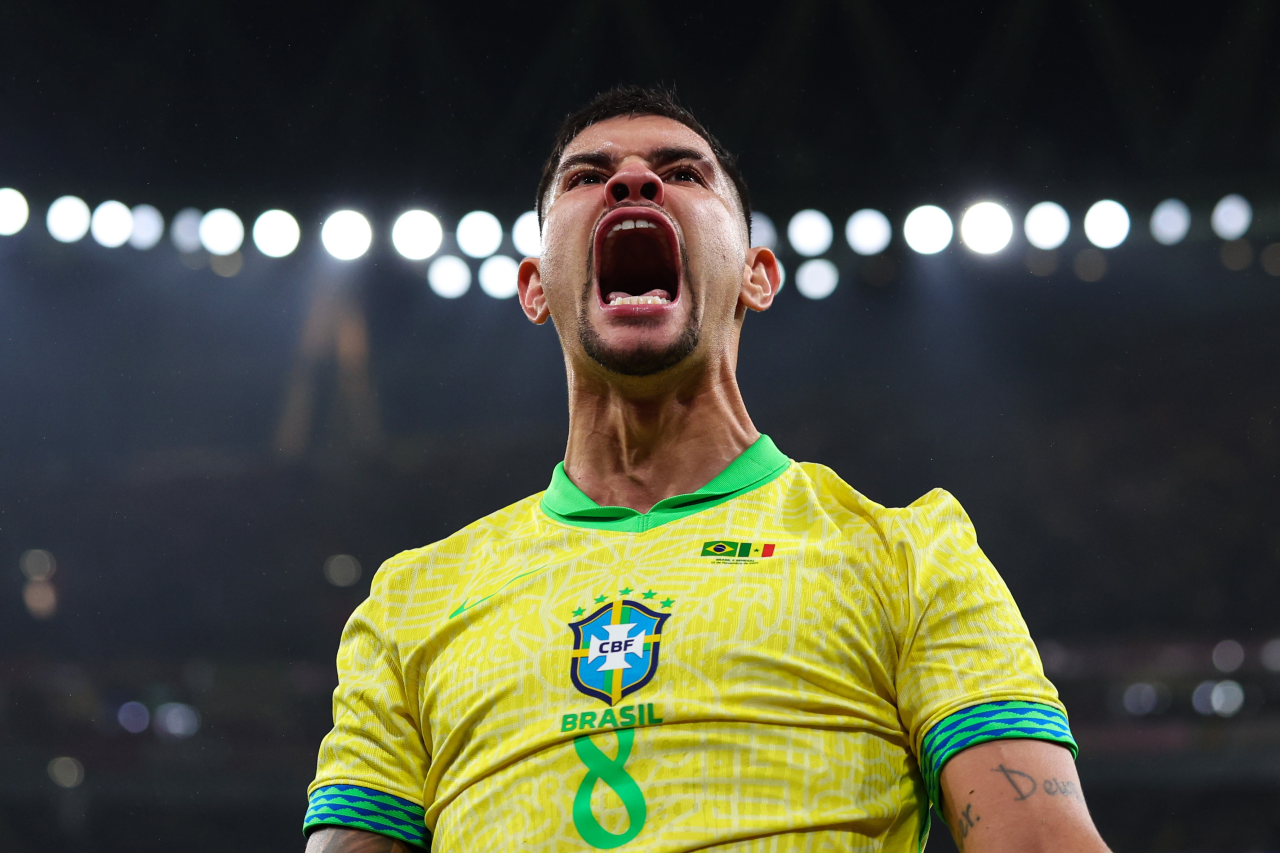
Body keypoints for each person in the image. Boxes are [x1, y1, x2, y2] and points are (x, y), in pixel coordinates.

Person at [302, 86, 1110, 853]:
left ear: (756, 275)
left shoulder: (908, 553)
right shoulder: (413, 599)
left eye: (684, 172)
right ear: (535, 287)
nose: (633, 180)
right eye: (587, 176)